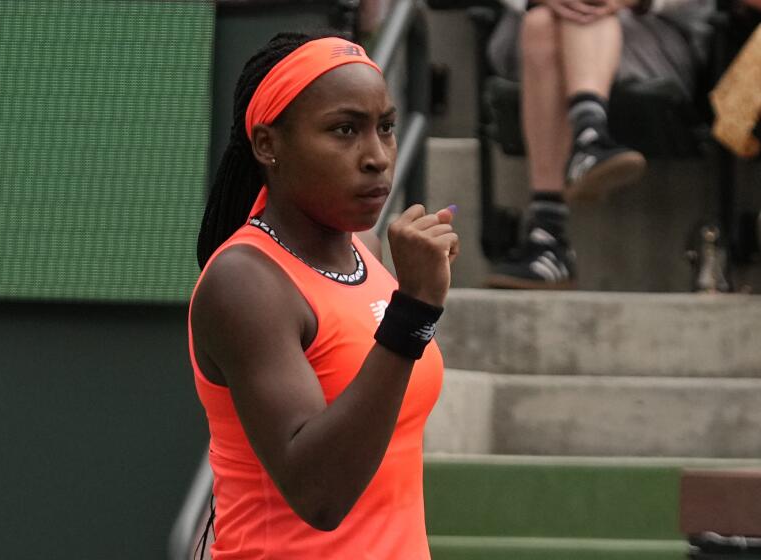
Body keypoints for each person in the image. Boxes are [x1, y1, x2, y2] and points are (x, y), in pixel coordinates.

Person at [190, 32, 459, 558]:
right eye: (344, 130)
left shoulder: (368, 252)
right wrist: (415, 310)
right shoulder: (244, 281)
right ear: (268, 145)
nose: (377, 157)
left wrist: (412, 308)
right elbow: (320, 495)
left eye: (385, 127)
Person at [484, 0, 713, 289]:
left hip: (644, 36)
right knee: (540, 21)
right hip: (532, 34)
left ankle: (547, 233)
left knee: (563, 16)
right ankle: (589, 138)